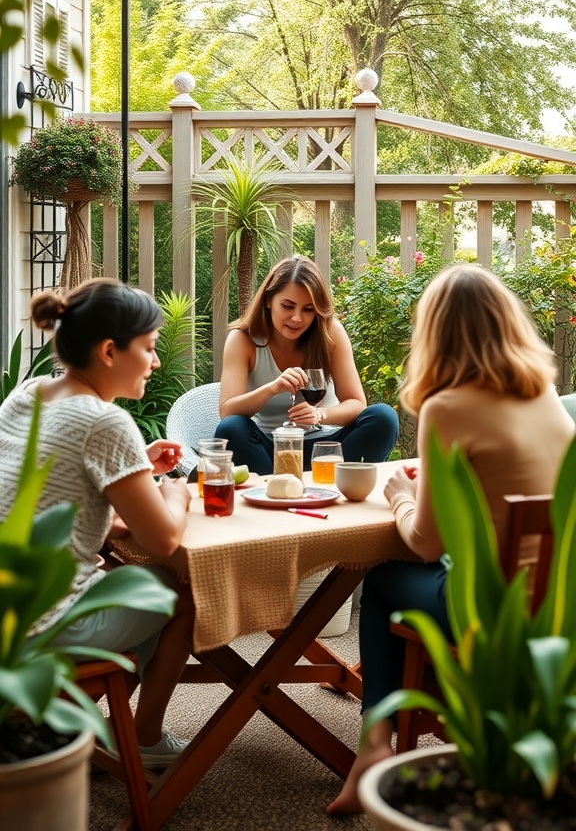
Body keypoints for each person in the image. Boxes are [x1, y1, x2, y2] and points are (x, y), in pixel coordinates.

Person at [328, 264, 575, 815]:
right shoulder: (544, 395)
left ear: (434, 332)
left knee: (386, 577)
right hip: (563, 606)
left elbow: (421, 543)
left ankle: (372, 746)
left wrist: (398, 494)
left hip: (493, 613)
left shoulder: (446, 406)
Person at [0, 278, 194, 768]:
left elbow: (46, 492)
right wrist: (173, 493)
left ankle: (82, 726)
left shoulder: (28, 395)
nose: (154, 362)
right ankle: (142, 734)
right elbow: (165, 538)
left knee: (127, 579)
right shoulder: (104, 421)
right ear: (110, 351)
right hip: (38, 626)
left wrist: (135, 471)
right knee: (186, 589)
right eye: (149, 348)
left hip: (9, 601)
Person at [214, 255, 398, 473]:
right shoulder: (243, 339)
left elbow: (356, 402)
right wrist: (273, 388)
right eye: (288, 306)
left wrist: (320, 415)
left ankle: (328, 483)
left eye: (308, 309)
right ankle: (275, 488)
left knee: (384, 418)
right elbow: (227, 410)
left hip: (326, 448)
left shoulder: (331, 333)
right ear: (268, 300)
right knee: (231, 428)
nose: (297, 318)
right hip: (266, 450)